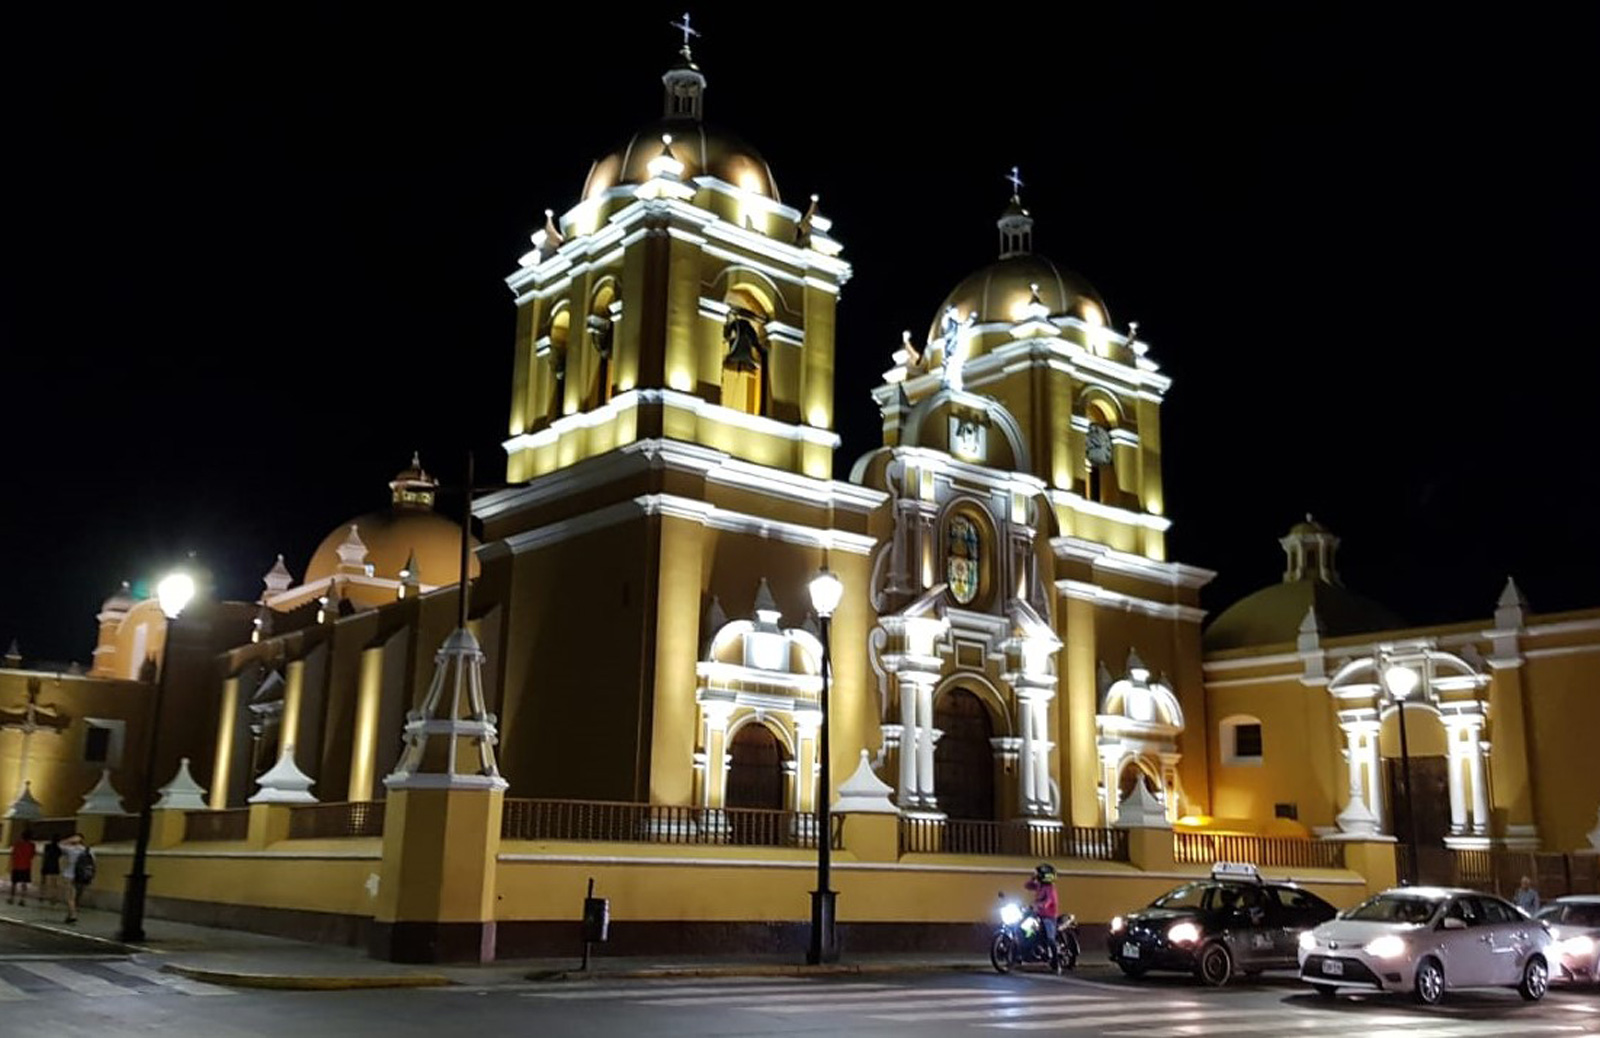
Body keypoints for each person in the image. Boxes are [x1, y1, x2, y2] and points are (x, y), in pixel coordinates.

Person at [1024, 862, 1061, 973]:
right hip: (1038, 915)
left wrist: (1042, 905)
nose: (1036, 875)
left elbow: (1050, 900)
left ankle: (1056, 963)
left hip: (1048, 917)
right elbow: (1027, 886)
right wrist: (1032, 878)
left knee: (1050, 939)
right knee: (1027, 929)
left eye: (1037, 874)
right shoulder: (1040, 886)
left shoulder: (1050, 888)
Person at [58, 833, 92, 924]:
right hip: (82, 876)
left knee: (70, 897)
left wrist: (69, 840)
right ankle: (69, 915)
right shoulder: (87, 850)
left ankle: (73, 915)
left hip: (70, 875)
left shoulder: (71, 849)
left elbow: (60, 844)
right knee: (76, 896)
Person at [7, 829, 35, 904]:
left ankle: (11, 898)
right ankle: (22, 899)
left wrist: (10, 865)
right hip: (26, 866)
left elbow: (13, 854)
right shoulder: (32, 845)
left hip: (16, 866)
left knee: (14, 883)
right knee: (24, 883)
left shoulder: (17, 844)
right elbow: (32, 855)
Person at [39, 835, 61, 905]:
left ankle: (42, 895)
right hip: (55, 865)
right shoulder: (58, 849)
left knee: (43, 881)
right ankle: (53, 897)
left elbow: (45, 855)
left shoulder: (47, 847)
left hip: (46, 864)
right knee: (54, 883)